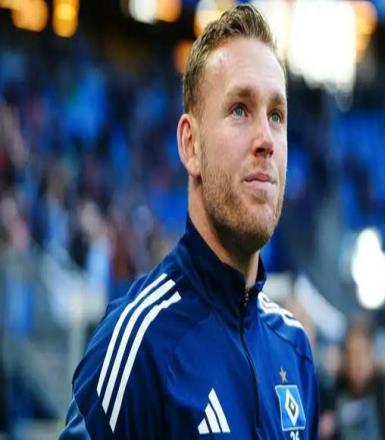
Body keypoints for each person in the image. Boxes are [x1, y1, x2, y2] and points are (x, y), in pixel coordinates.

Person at [60, 5, 319, 439]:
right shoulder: (140, 346)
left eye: (276, 115)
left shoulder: (294, 351)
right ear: (190, 144)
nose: (266, 140)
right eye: (240, 109)